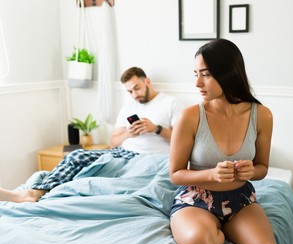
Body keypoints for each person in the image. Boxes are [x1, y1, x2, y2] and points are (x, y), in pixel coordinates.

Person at [0, 67, 184, 203]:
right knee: (77, 155)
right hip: (124, 154)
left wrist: (156, 129)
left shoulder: (170, 103)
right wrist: (128, 133)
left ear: (147, 81)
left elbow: (182, 140)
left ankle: (42, 194)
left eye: (137, 88)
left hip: (154, 159)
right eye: (129, 91)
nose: (134, 94)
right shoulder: (129, 107)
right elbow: (114, 142)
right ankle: (36, 192)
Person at [169, 39, 278, 244]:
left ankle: (227, 228)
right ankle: (216, 229)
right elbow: (175, 174)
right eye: (196, 74)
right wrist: (212, 174)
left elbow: (262, 168)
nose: (197, 83)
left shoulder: (262, 115)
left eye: (206, 74)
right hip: (196, 199)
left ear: (229, 73)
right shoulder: (189, 116)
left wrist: (252, 172)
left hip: (241, 200)